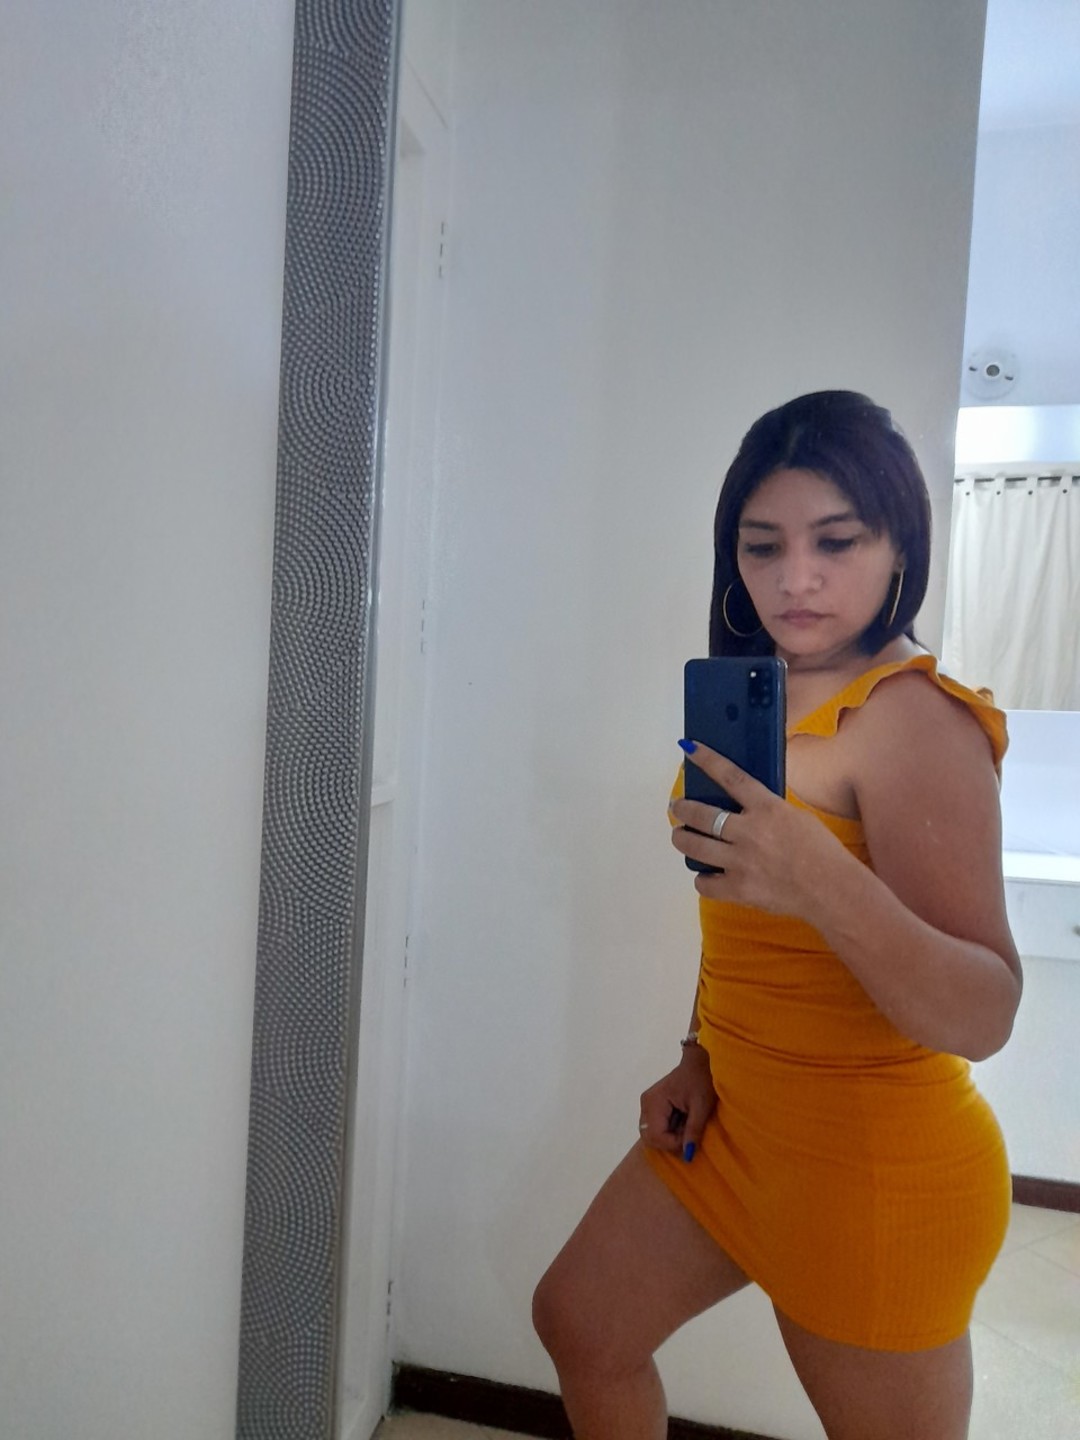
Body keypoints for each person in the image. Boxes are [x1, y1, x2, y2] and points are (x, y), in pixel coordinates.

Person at [532, 391, 1021, 1440]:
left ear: (900, 547)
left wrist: (821, 878)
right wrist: (697, 1053)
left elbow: (985, 1012)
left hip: (872, 1173)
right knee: (580, 1323)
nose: (795, 578)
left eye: (836, 542)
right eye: (763, 547)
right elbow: (744, 920)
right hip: (737, 1126)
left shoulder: (916, 721)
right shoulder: (755, 691)